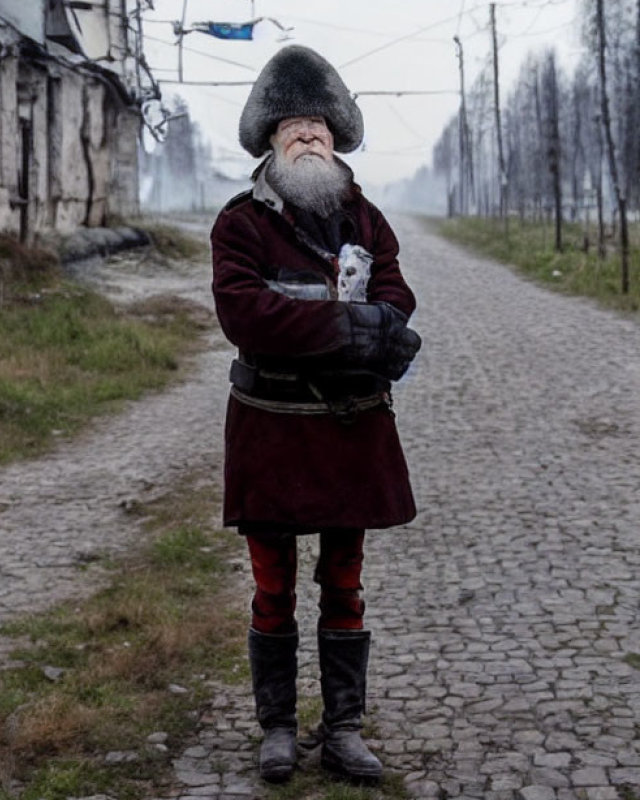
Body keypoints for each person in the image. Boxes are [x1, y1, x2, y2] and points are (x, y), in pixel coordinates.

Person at [210, 45, 422, 784]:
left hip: (349, 425)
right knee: (272, 584)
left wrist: (363, 326)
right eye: (293, 126)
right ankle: (276, 729)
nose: (307, 137)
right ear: (270, 140)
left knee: (345, 580)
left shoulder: (367, 218)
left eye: (319, 127)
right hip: (269, 426)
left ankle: (343, 729)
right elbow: (247, 314)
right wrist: (349, 330)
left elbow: (396, 300)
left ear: (336, 137)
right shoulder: (239, 225)